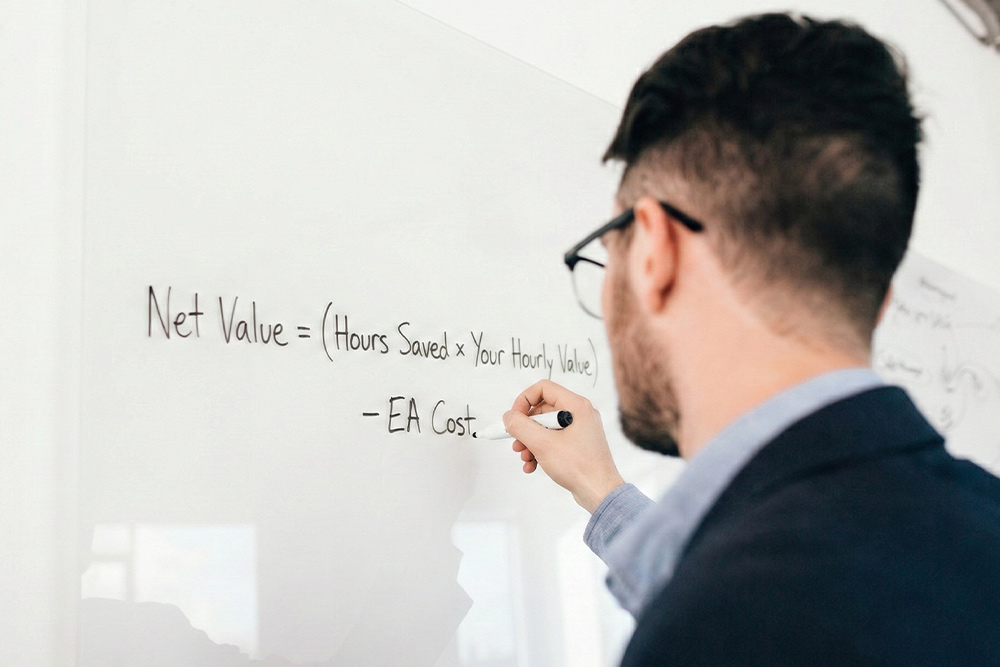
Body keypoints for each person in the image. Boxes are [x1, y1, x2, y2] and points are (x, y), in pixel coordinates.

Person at [503, 13, 1000, 666]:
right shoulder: (976, 527)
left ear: (654, 250)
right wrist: (603, 489)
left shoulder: (723, 623)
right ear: (877, 301)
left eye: (607, 254)